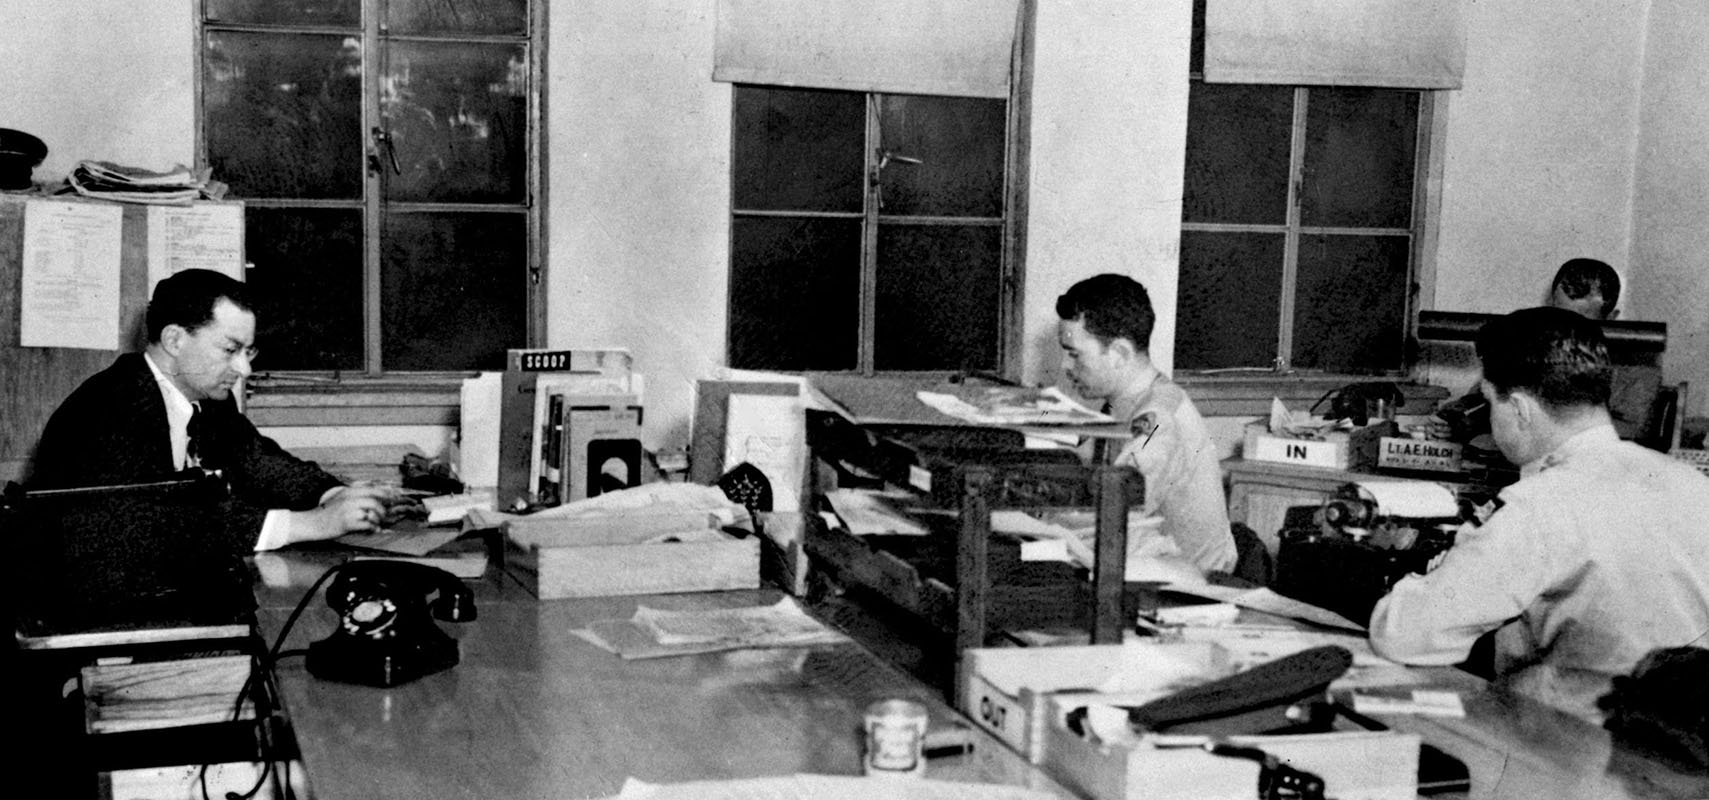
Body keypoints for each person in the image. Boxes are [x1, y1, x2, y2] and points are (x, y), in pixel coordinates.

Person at [1368, 306, 1709, 722]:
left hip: (1576, 741)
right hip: (1687, 742)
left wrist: (1423, 581)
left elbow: (1404, 634)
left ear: (1520, 409)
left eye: (1490, 403)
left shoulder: (1539, 504)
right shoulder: (1692, 483)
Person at [28, 268, 398, 555]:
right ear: (175, 340)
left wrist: (335, 497)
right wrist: (313, 524)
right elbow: (158, 525)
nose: (244, 369)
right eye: (230, 350)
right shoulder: (105, 410)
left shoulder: (207, 398)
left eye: (248, 352)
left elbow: (259, 462)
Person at [1055, 273, 1237, 575]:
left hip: (1190, 585)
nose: (1066, 366)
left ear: (1119, 353)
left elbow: (1114, 506)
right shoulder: (1124, 403)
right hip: (1151, 562)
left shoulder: (1158, 420)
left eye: (1074, 354)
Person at [1431, 257, 1661, 443]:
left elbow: (1633, 430)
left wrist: (1549, 424)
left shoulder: (1638, 364)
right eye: (1558, 317)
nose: (1566, 333)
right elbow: (1480, 399)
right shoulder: (1529, 346)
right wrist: (1456, 419)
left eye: (1581, 324)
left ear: (1611, 319)